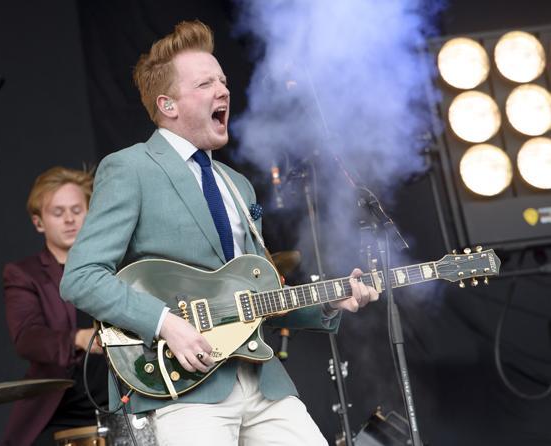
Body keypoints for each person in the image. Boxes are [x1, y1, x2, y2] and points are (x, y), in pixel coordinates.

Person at [60, 20, 379, 446]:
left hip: (262, 380)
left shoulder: (236, 184)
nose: (223, 90)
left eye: (223, 80)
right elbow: (81, 277)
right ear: (168, 105)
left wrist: (328, 303)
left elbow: (258, 293)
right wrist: (165, 323)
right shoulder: (131, 167)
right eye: (206, 83)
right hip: (185, 388)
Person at [1, 166, 109, 445]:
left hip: (121, 400)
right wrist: (78, 338)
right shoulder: (24, 274)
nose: (70, 220)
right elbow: (27, 338)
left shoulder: (113, 266)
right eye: (58, 213)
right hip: (64, 409)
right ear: (39, 222)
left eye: (77, 210)